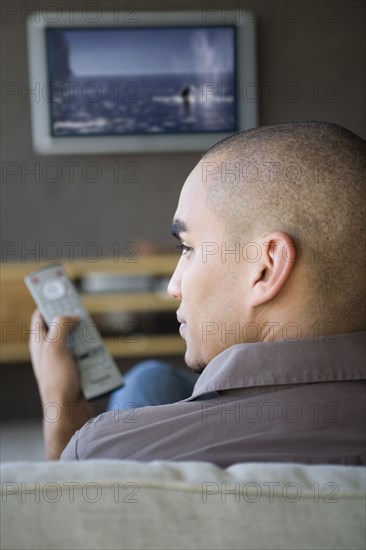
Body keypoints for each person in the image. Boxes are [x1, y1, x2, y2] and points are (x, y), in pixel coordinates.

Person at [30, 121, 366, 464]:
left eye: (187, 247)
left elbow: (60, 510)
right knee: (153, 378)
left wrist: (62, 419)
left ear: (265, 267)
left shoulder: (105, 450)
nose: (173, 286)